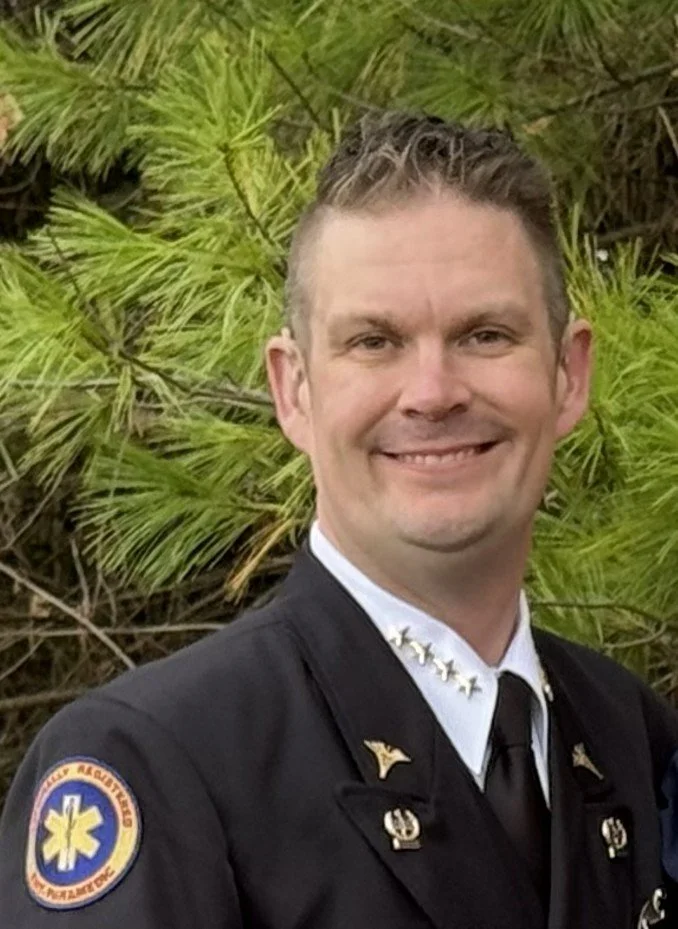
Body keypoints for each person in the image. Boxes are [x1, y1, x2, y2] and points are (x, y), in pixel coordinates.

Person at [0, 111, 676, 929]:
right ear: (294, 389)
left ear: (569, 375)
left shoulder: (632, 737)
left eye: (485, 334)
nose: (433, 391)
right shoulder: (158, 764)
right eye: (375, 341)